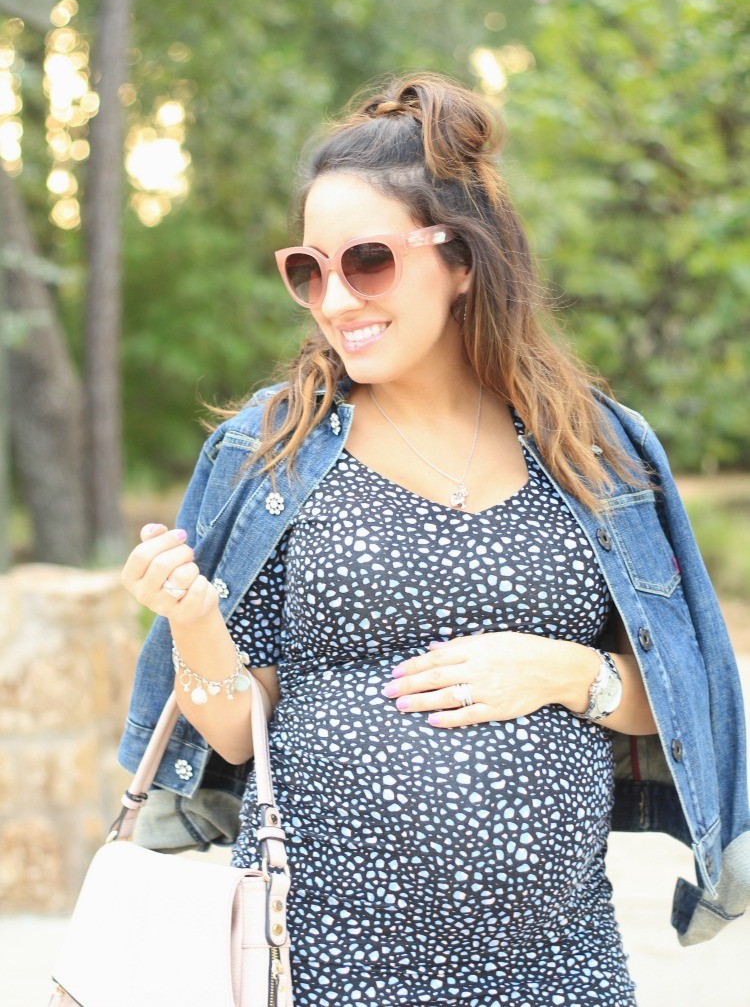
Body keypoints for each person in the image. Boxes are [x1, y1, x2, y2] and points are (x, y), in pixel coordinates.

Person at [120, 72, 750, 1006]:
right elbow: (230, 727)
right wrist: (195, 619)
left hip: (559, 967)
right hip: (322, 963)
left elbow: (685, 691)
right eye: (309, 269)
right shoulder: (269, 446)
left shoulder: (598, 446)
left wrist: (568, 673)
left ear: (460, 256)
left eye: (367, 261)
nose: (336, 299)